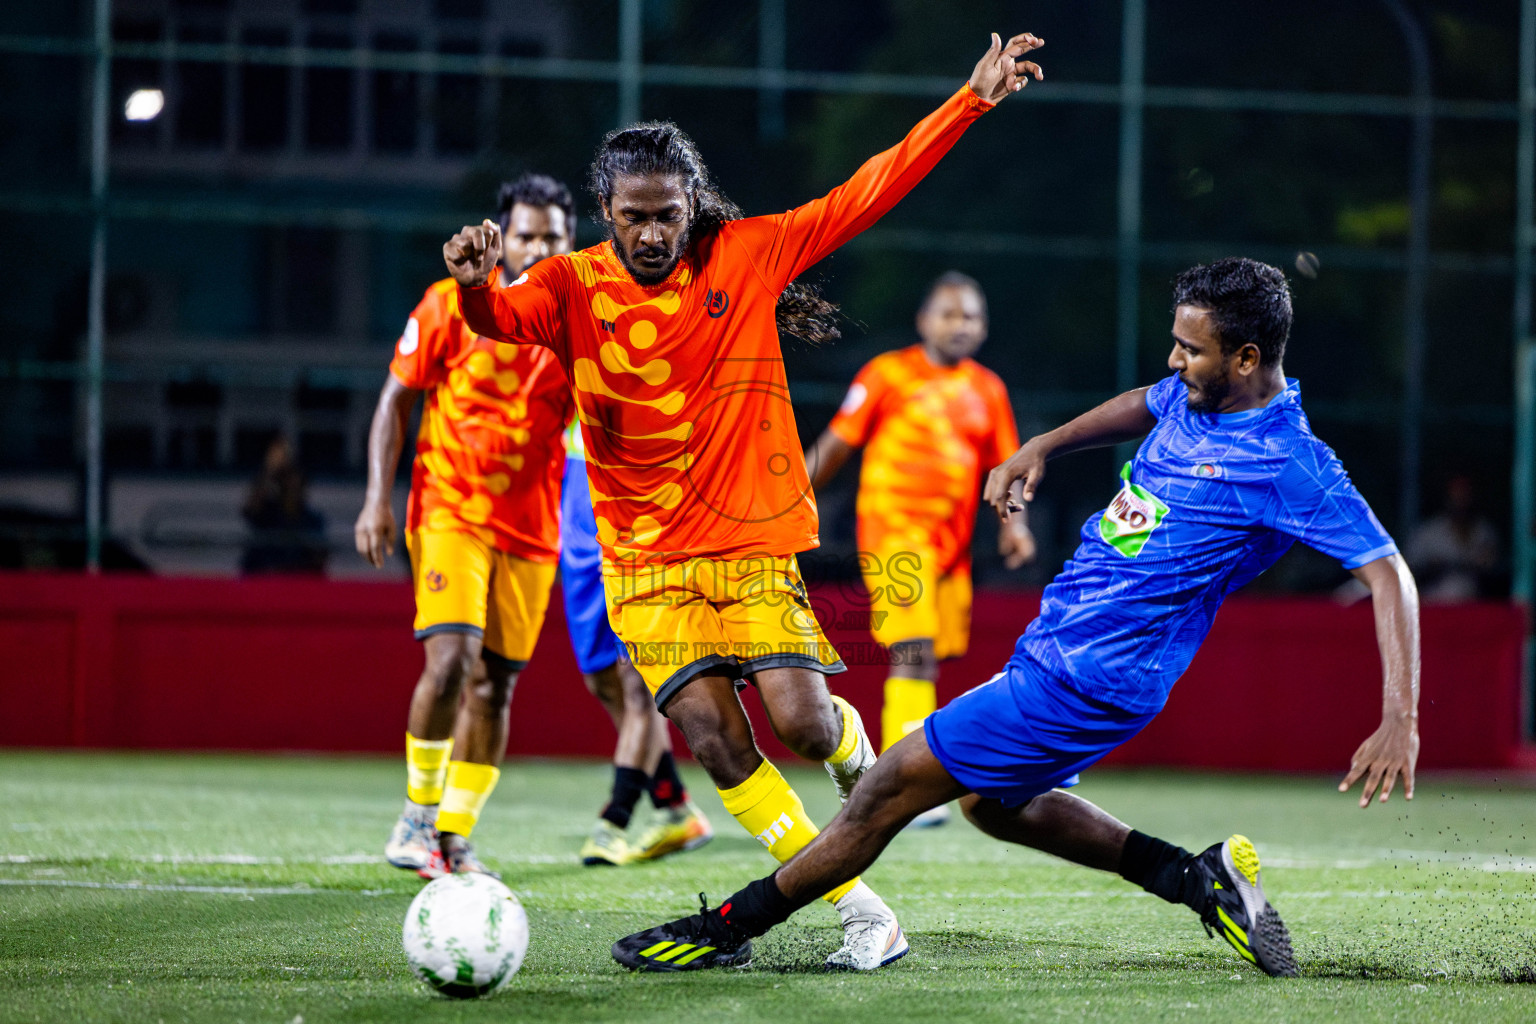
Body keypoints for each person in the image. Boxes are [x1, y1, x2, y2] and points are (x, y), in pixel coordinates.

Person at [610, 257, 1421, 979]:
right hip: (1061, 651)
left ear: (1247, 359)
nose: (1175, 360)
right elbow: (1145, 402)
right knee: (993, 806)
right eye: (1176, 341)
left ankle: (723, 928)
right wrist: (1041, 446)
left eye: (1192, 348)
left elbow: (1390, 574)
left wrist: (1399, 719)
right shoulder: (1195, 394)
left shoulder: (1290, 463)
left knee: (886, 790)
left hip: (1087, 677)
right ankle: (1196, 879)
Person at [442, 31, 1047, 970]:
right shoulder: (567, 285)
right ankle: (860, 909)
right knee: (720, 745)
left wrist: (969, 100)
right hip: (645, 567)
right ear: (606, 211)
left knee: (804, 725)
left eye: (668, 215)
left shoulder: (750, 253)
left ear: (691, 208)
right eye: (635, 216)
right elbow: (502, 322)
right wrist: (477, 288)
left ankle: (875, 767)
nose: (652, 233)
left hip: (751, 547)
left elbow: (867, 189)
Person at [357, 174, 705, 877]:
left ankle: (453, 835)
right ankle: (417, 817)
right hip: (450, 508)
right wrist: (376, 498)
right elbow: (397, 398)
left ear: (568, 239)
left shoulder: (582, 317)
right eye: (525, 234)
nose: (539, 245)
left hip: (535, 528)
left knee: (495, 685)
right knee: (451, 659)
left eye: (552, 234)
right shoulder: (449, 304)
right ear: (502, 237)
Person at [806, 271, 1034, 827]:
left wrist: (1015, 525)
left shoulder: (988, 390)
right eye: (950, 313)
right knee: (913, 649)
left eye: (972, 316)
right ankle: (903, 784)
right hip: (893, 535)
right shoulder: (887, 374)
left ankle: (894, 775)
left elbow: (1009, 470)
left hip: (950, 550)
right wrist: (788, 501)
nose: (961, 325)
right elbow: (836, 445)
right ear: (924, 321)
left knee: (931, 657)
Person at [562, 414, 714, 866]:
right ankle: (675, 808)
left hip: (644, 492)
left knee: (637, 685)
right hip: (580, 493)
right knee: (603, 681)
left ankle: (614, 820)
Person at [241, 434, 328, 575]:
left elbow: (321, 559)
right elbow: (249, 510)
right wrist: (270, 470)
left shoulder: (313, 521)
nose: (292, 489)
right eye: (287, 483)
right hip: (265, 583)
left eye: (296, 485)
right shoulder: (266, 516)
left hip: (297, 585)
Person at [1406, 474, 1501, 602]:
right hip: (1433, 608)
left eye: (1464, 495)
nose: (1460, 501)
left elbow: (1495, 572)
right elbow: (1408, 573)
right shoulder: (1428, 533)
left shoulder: (1484, 532)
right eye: (1456, 495)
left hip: (1475, 608)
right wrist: (1432, 567)